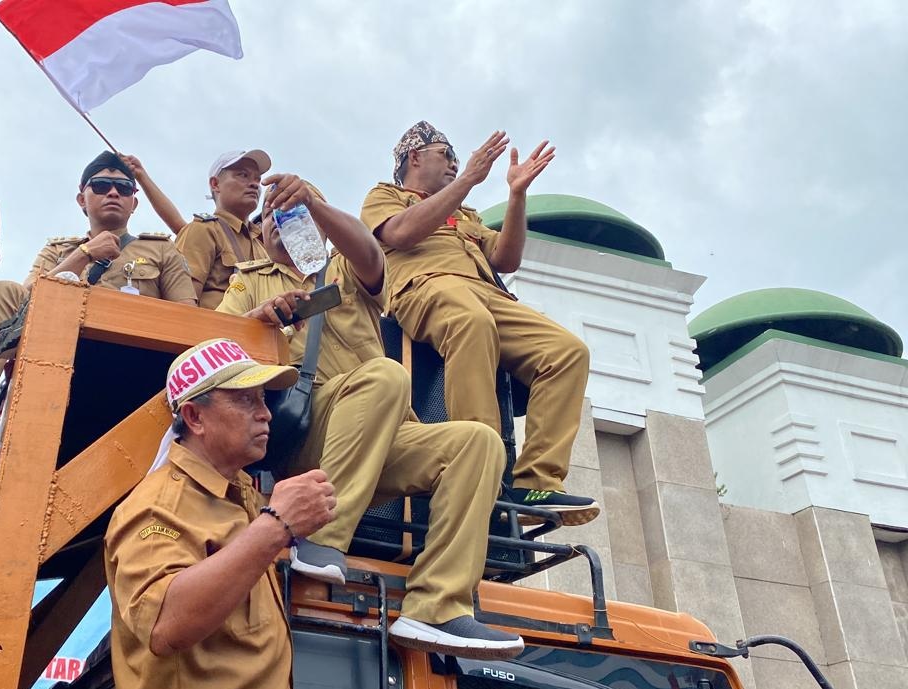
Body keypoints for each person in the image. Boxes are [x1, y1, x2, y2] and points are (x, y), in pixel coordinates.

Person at [217, 175, 523, 659]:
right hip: (308, 434)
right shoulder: (250, 277)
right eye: (271, 215)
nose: (281, 221)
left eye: (291, 211)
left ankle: (437, 606)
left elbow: (372, 255)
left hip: (381, 437)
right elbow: (219, 350)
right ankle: (319, 539)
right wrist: (261, 318)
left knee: (479, 442)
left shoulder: (342, 266)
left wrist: (315, 202)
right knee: (385, 376)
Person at [360, 121, 597, 524]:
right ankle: (483, 467)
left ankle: (536, 482)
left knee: (567, 352)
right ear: (414, 158)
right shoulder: (386, 195)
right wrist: (469, 179)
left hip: (487, 294)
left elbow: (505, 259)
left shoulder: (464, 213)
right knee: (471, 323)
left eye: (456, 158)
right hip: (426, 287)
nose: (454, 163)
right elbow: (399, 233)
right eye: (445, 155)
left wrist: (516, 195)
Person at [105, 338, 335, 689]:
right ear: (195, 417)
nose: (266, 413)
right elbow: (165, 624)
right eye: (245, 399)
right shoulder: (157, 506)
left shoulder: (239, 489)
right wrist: (276, 526)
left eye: (262, 398)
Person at [0, 152, 195, 429]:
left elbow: (186, 316)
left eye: (124, 188)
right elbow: (22, 303)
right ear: (82, 199)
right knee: (4, 291)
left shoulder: (161, 249)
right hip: (54, 352)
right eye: (102, 186)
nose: (114, 193)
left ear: (134, 203)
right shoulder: (58, 250)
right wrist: (83, 254)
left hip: (127, 358)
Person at [175, 150, 272, 309]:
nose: (255, 184)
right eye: (243, 175)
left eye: (257, 179)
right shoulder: (203, 230)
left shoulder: (262, 244)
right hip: (214, 332)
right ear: (215, 184)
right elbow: (183, 304)